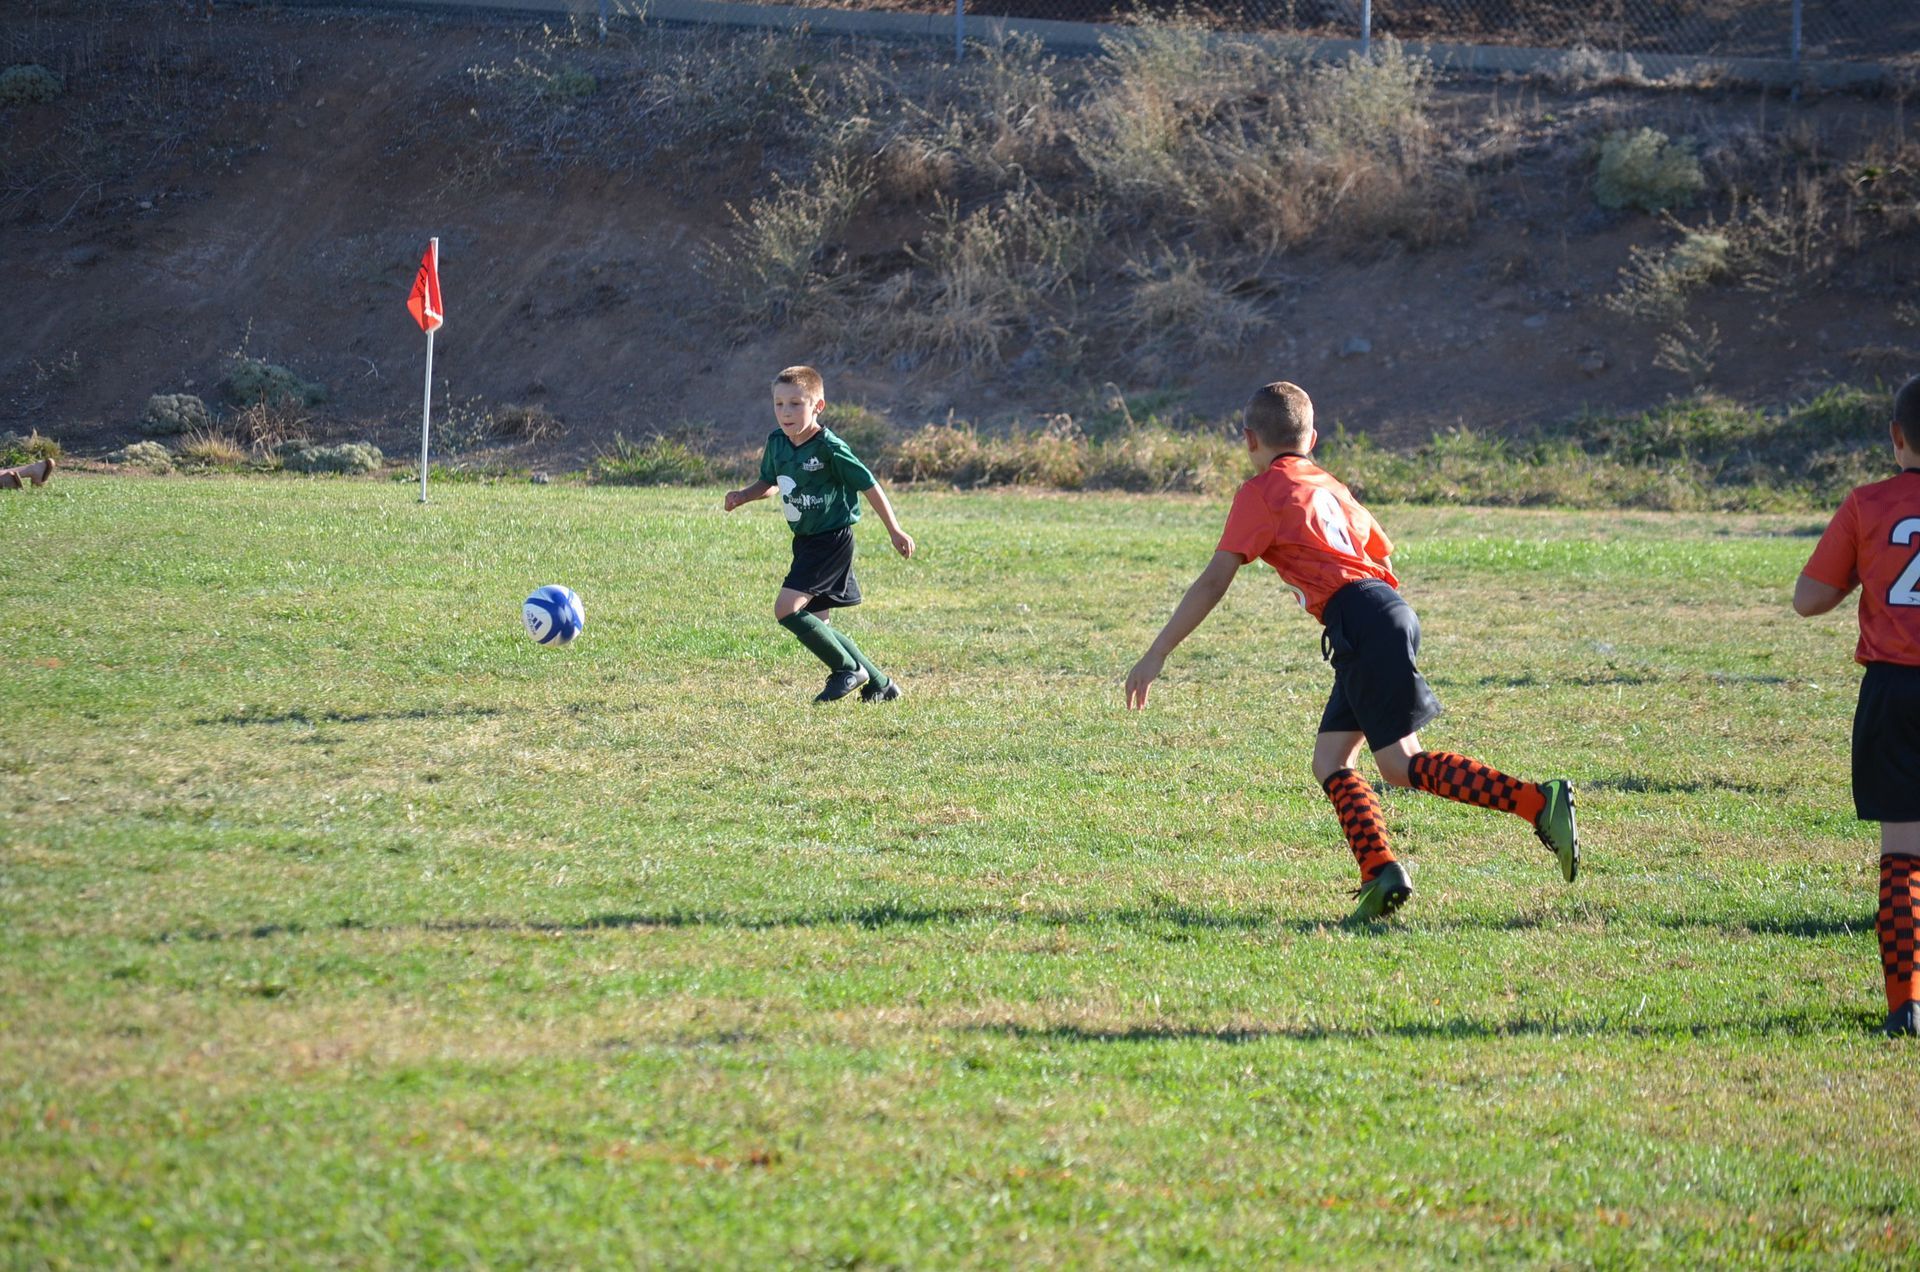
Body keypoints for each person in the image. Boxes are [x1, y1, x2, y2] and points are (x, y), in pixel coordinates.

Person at [1123, 381, 1578, 922]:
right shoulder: (1330, 485)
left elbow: (1214, 580)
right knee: (1331, 760)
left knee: (1400, 764)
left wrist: (1157, 652)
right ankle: (1380, 873)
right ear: (1312, 438)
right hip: (1380, 612)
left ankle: (1537, 802)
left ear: (1249, 439)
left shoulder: (1260, 492)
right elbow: (1378, 551)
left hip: (1361, 621)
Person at [1792, 373, 1920, 1039]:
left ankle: (1906, 1005)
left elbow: (1809, 599)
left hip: (1895, 690)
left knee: (1903, 851)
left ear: (1897, 438)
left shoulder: (1869, 502)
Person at [723, 365, 914, 703]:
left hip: (832, 539)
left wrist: (894, 529)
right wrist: (743, 495)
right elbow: (771, 484)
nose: (786, 412)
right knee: (817, 623)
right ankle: (881, 684)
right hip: (806, 540)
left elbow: (869, 484)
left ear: (818, 406)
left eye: (796, 404)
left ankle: (847, 671)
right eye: (779, 404)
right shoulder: (777, 442)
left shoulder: (829, 447)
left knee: (786, 609)